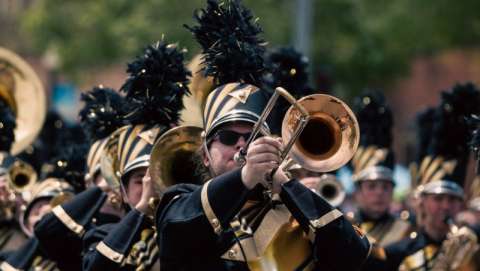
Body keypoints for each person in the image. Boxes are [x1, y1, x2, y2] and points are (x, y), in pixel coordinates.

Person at [82, 39, 191, 271]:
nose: (151, 184)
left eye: (161, 175)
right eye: (139, 179)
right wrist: (142, 210)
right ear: (121, 190)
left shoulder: (195, 229)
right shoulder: (103, 234)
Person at [364, 82, 480, 270]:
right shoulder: (396, 253)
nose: (445, 206)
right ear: (422, 201)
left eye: (452, 199)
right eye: (438, 198)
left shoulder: (473, 252)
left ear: (461, 204)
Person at [349, 91, 412, 247]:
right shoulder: (344, 227)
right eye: (371, 186)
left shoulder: (407, 230)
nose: (379, 193)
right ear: (357, 191)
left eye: (385, 187)